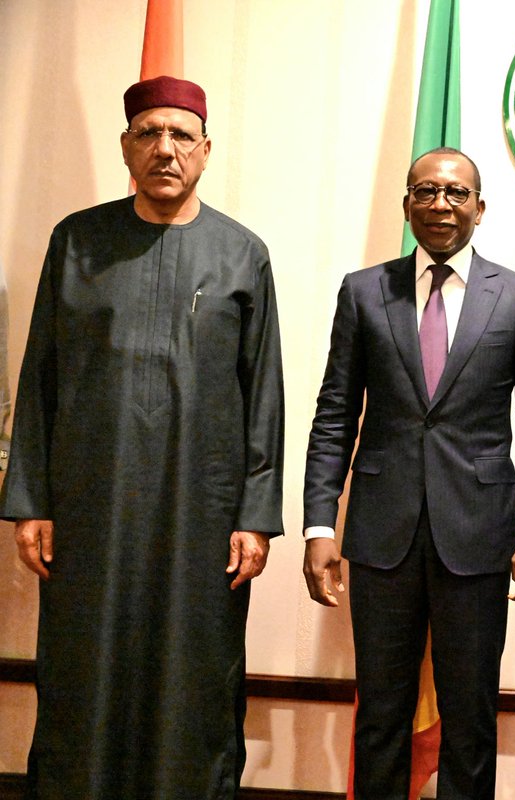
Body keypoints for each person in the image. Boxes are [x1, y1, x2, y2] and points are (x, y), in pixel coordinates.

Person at [0, 75, 285, 799]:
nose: (165, 149)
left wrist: (255, 514)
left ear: (206, 150)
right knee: (81, 669)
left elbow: (264, 395)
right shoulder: (77, 241)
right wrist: (30, 499)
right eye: (149, 134)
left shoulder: (242, 254)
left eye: (181, 136)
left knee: (195, 669)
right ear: (126, 145)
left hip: (203, 515)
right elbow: (41, 379)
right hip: (92, 508)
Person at [301, 147, 515, 800]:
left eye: (455, 193)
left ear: (479, 208)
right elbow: (335, 413)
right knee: (382, 715)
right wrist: (316, 524)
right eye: (426, 191)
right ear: (407, 205)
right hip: (380, 535)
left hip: (477, 537)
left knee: (470, 718)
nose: (440, 204)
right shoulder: (364, 291)